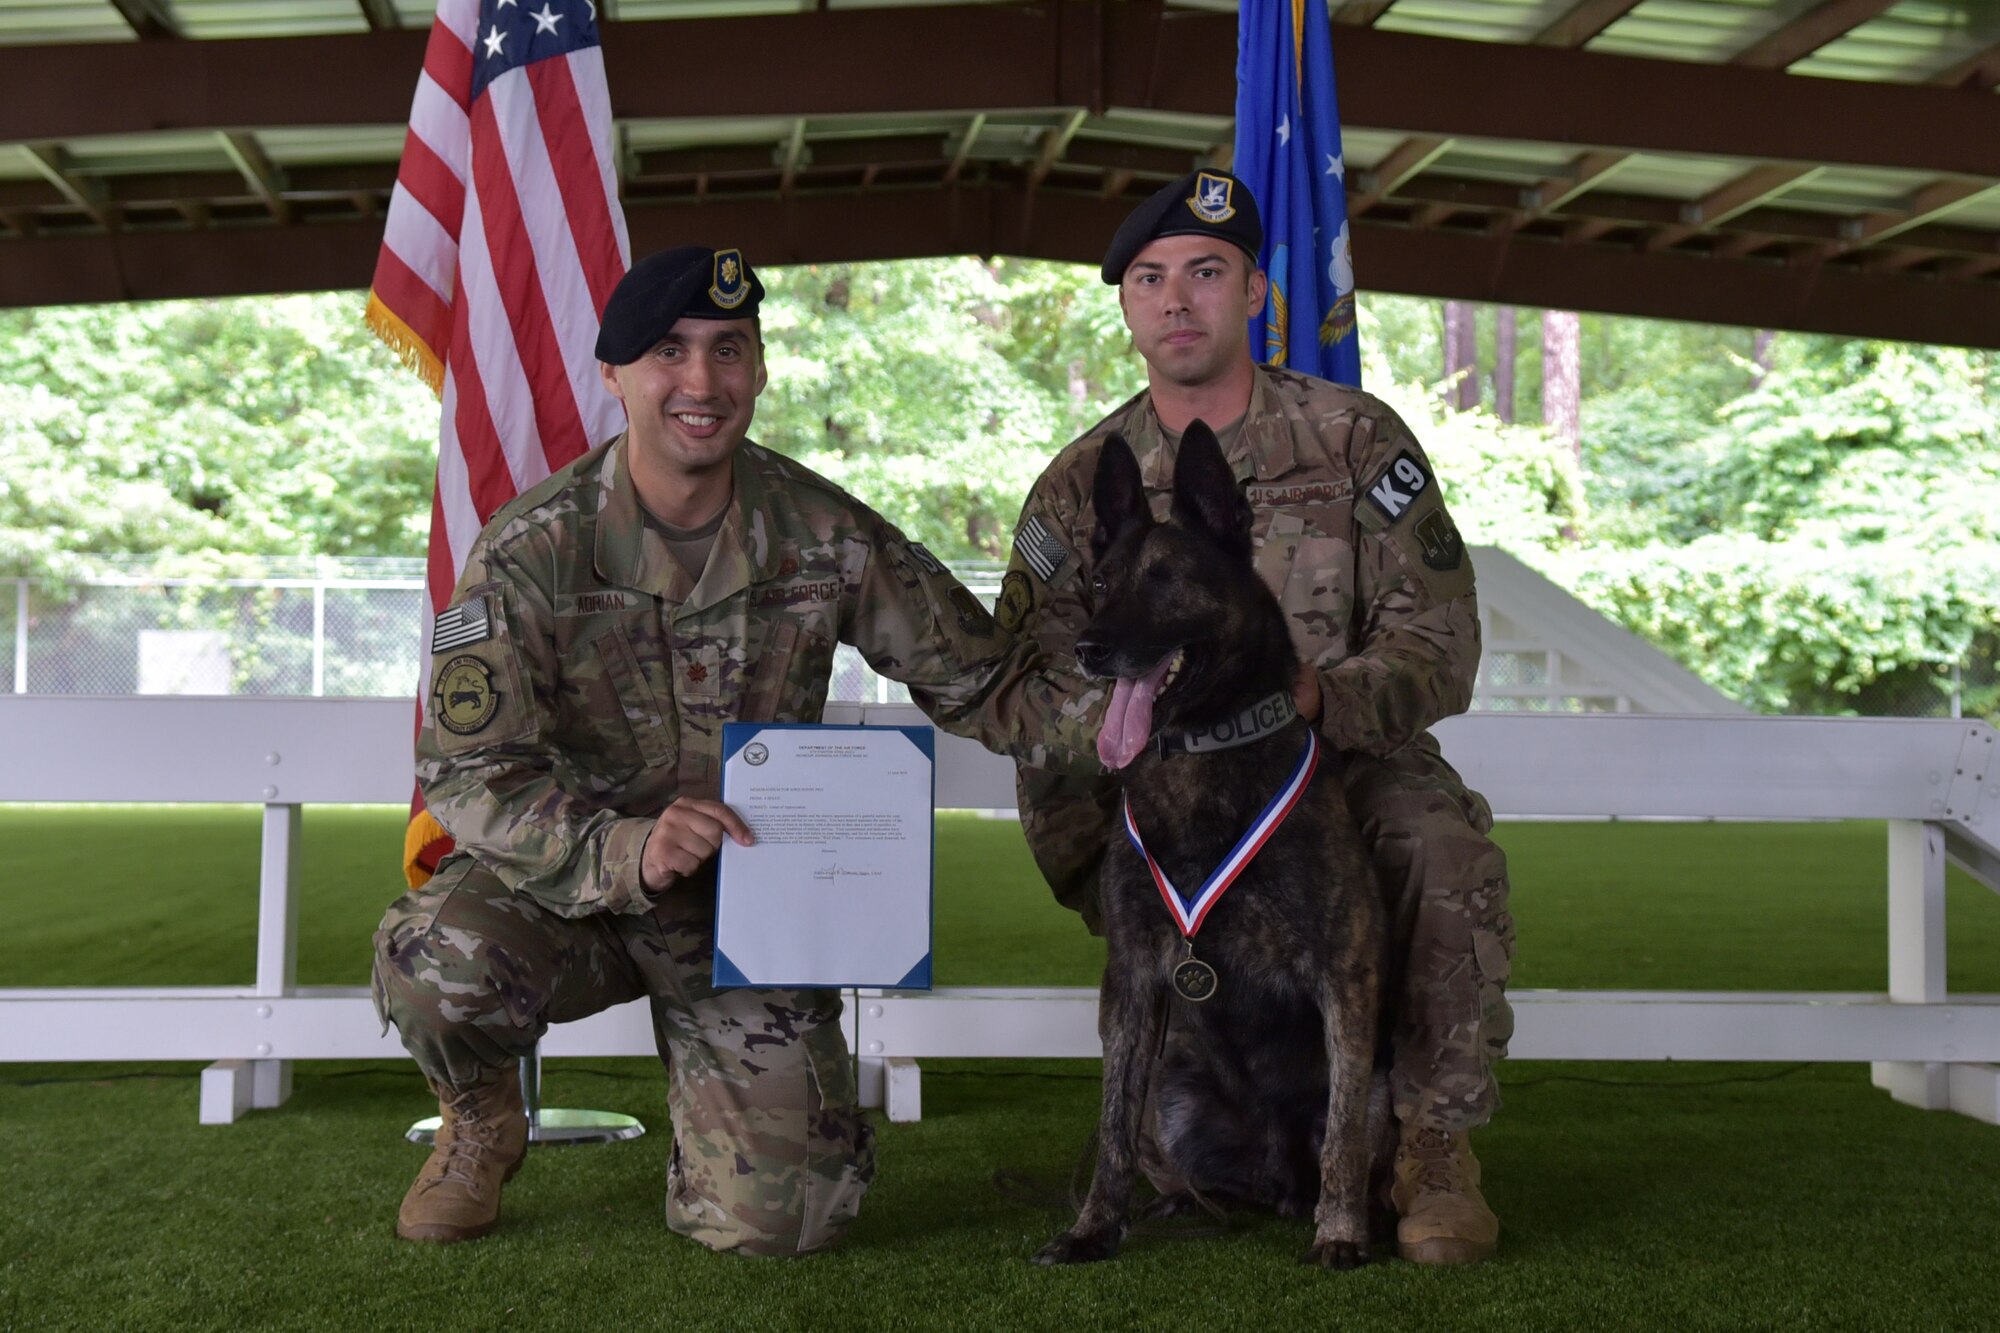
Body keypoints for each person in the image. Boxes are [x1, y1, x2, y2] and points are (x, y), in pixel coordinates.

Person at [373, 246, 1100, 1254]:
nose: (702, 382)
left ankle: (726, 1134)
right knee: (432, 956)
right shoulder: (533, 546)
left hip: (747, 905)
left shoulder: (822, 530)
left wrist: (1125, 718)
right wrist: (624, 849)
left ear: (759, 369)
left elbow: (982, 680)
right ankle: (482, 1119)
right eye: (668, 351)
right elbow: (467, 770)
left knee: (778, 1223)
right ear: (614, 374)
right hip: (567, 889)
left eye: (728, 349)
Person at [998, 170, 1514, 1265]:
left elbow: (1440, 640)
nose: (1176, 299)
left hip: (1331, 753)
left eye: (1204, 273)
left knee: (1437, 840)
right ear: (1127, 305)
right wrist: (1108, 806)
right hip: (1164, 775)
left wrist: (1324, 695)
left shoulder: (1350, 439)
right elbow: (1036, 667)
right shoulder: (1079, 482)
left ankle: (1430, 1144)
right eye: (1149, 278)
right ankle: (1186, 1122)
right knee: (1149, 892)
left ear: (1255, 293)